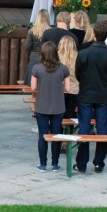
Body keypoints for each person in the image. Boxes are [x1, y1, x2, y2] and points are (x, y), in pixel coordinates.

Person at [75, 21, 107, 173]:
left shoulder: (84, 53)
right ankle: (99, 162)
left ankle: (82, 163)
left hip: (86, 93)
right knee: (102, 128)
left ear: (93, 34)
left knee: (84, 128)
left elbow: (78, 74)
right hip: (104, 94)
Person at [32, 41, 70, 172]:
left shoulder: (37, 68)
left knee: (42, 135)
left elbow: (33, 87)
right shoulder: (63, 69)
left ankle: (43, 164)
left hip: (42, 106)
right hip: (58, 106)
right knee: (56, 135)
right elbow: (68, 89)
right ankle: (55, 163)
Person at [23, 9, 50, 86]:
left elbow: (27, 46)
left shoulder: (32, 30)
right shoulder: (50, 31)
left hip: (34, 59)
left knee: (31, 83)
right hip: (47, 59)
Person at [58, 35, 79, 119]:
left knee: (59, 114)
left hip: (59, 88)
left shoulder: (56, 56)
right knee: (70, 114)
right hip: (74, 89)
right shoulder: (78, 56)